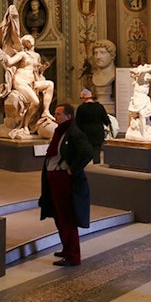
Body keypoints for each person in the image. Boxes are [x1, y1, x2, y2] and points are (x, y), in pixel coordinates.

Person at [38, 103, 92, 267]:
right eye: (55, 113)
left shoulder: (74, 133)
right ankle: (66, 248)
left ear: (69, 116)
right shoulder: (60, 131)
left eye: (59, 114)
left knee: (67, 217)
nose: (56, 117)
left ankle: (73, 256)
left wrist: (72, 170)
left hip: (64, 180)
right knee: (58, 216)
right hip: (53, 178)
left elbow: (86, 152)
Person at [75, 88, 110, 163]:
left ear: (84, 97)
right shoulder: (99, 107)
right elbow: (106, 121)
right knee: (96, 152)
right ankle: (96, 167)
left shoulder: (81, 108)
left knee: (85, 154)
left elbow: (77, 123)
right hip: (98, 133)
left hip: (85, 134)